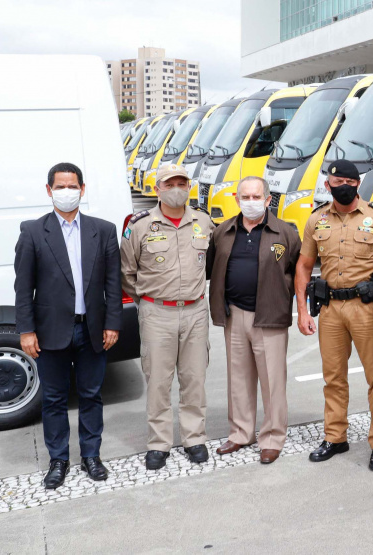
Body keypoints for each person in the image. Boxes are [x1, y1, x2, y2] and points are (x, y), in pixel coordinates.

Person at [13, 162, 122, 489]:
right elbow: (23, 287)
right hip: (50, 332)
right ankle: (58, 459)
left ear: (82, 189)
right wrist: (26, 330)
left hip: (92, 330)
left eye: (71, 186)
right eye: (59, 187)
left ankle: (91, 455)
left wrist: (113, 322)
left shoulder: (102, 230)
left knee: (91, 395)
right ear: (49, 191)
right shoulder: (33, 232)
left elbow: (113, 284)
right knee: (55, 399)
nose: (66, 192)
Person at [294, 159, 373, 471]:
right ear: (328, 186)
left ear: (358, 184)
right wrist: (301, 311)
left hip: (367, 308)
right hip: (330, 309)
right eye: (338, 184)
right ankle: (335, 437)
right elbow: (304, 265)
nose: (345, 188)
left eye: (350, 183)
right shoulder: (317, 220)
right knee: (333, 377)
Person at [120, 164, 214, 470]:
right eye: (169, 183)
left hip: (196, 311)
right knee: (159, 381)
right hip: (156, 312)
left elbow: (209, 263)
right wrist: (148, 301)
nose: (177, 188)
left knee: (194, 379)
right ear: (158, 188)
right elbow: (126, 272)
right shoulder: (141, 225)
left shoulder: (203, 221)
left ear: (189, 187)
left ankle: (194, 438)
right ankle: (158, 443)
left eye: (182, 183)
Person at [206, 176, 301, 464]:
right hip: (234, 315)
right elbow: (212, 267)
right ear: (237, 200)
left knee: (272, 381)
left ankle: (272, 438)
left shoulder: (285, 233)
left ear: (267, 199)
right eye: (244, 197)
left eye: (255, 197)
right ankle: (240, 432)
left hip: (269, 317)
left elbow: (298, 272)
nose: (250, 202)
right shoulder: (222, 231)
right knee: (238, 379)